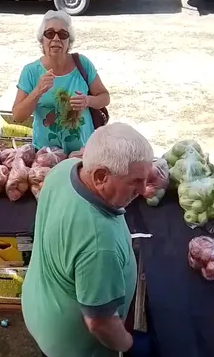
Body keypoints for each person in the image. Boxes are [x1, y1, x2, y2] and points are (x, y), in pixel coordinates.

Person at [21, 122, 153, 357]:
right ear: (101, 176)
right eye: (135, 181)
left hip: (40, 306)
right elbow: (100, 323)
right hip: (75, 347)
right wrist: (130, 345)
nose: (143, 190)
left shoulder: (64, 170)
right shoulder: (100, 243)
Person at [11, 10, 110, 154]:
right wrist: (38, 91)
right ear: (42, 40)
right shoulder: (31, 71)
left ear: (69, 41)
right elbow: (17, 116)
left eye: (63, 34)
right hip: (46, 155)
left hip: (82, 152)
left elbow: (104, 98)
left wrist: (88, 100)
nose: (56, 39)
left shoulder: (82, 63)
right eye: (50, 33)